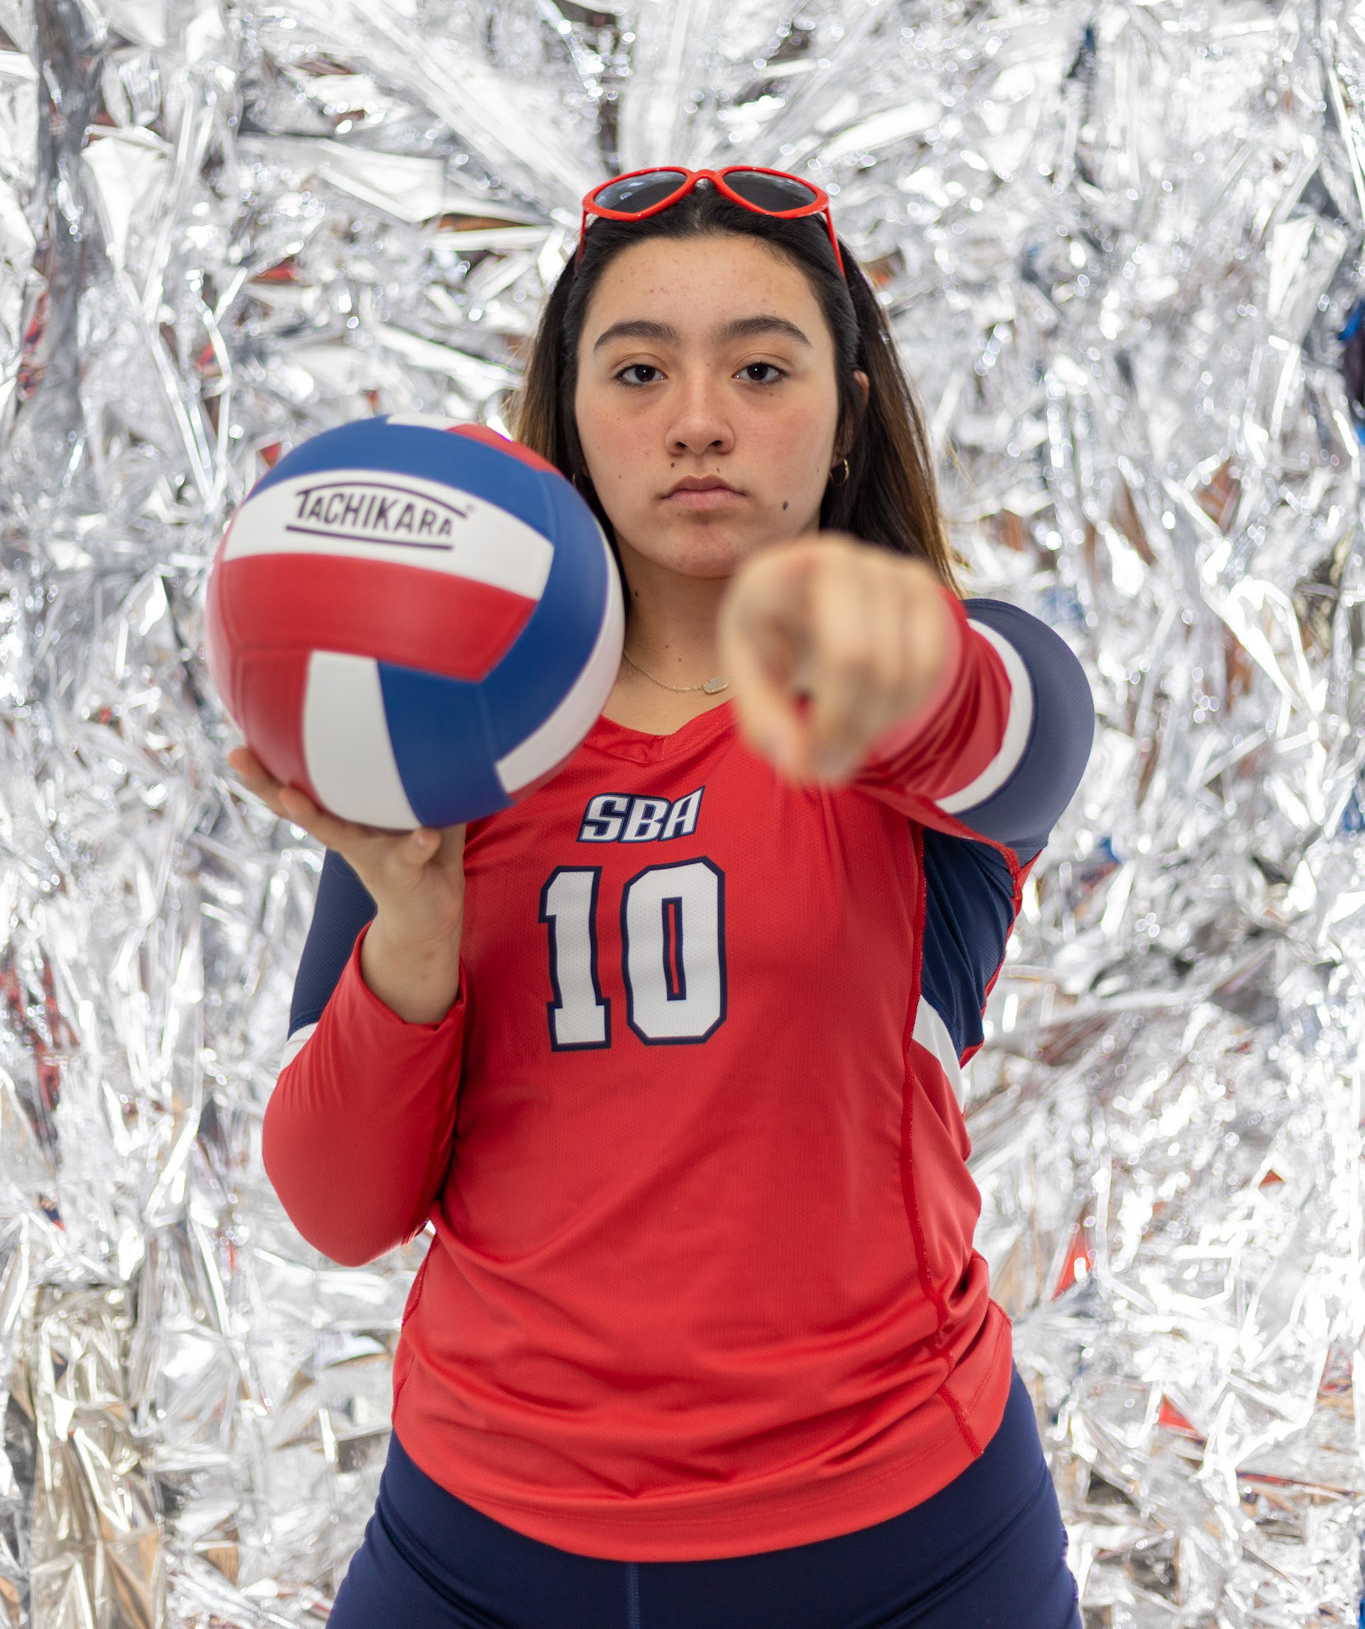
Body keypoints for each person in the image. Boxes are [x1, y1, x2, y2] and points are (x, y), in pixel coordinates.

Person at [231, 165, 1094, 1629]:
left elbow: (1012, 728)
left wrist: (885, 654)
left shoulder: (932, 701)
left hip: (903, 1547)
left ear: (849, 414)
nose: (698, 419)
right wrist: (414, 939)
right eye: (638, 370)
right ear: (567, 417)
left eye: (761, 368)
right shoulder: (451, 734)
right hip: (480, 1548)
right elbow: (337, 1210)